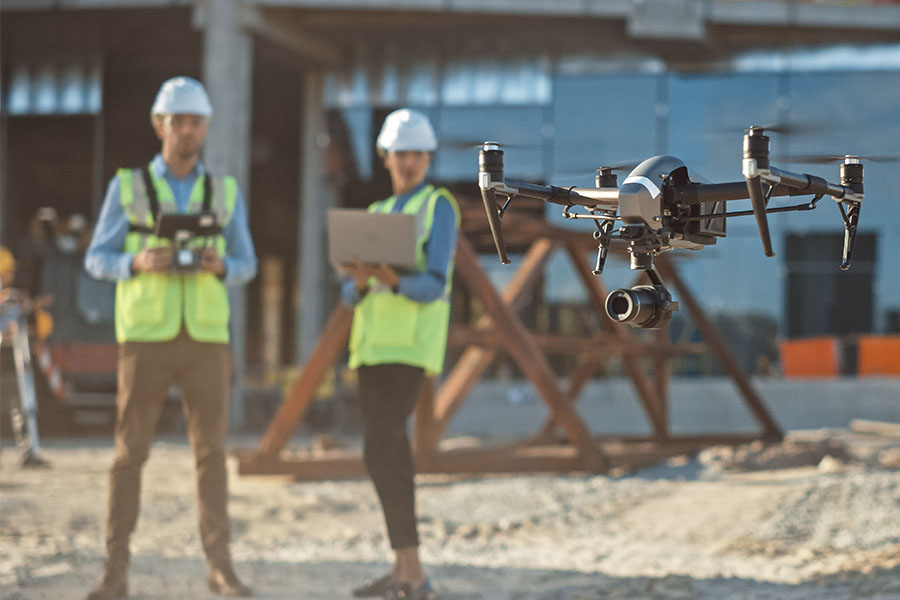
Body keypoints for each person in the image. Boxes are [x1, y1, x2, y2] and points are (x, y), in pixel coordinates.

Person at [82, 76, 257, 600]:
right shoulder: (128, 187)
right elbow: (96, 257)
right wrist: (135, 261)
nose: (187, 131)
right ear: (160, 125)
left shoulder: (225, 193)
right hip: (146, 338)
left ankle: (219, 568)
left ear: (206, 129)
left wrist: (222, 264)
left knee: (212, 454)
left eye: (195, 122)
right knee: (129, 454)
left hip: (205, 338)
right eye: (177, 121)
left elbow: (246, 262)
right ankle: (114, 572)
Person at [340, 108, 460, 600]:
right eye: (401, 153)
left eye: (417, 154)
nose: (409, 162)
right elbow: (349, 297)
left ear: (427, 157)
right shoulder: (373, 215)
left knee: (383, 450)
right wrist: (362, 281)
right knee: (385, 453)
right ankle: (405, 571)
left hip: (409, 349)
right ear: (385, 156)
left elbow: (434, 285)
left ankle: (413, 573)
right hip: (371, 350)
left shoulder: (439, 206)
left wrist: (394, 281)